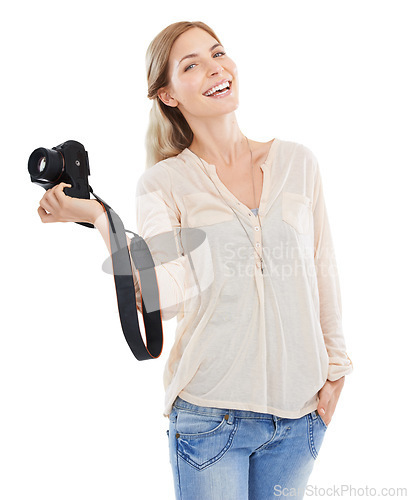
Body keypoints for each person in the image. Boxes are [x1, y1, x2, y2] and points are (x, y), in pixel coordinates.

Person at [37, 20, 353, 500]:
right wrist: (102, 219)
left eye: (218, 53)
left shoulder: (297, 163)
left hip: (300, 421)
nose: (215, 68)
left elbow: (322, 269)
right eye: (192, 65)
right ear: (168, 94)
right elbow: (166, 292)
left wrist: (337, 373)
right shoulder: (163, 184)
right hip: (211, 420)